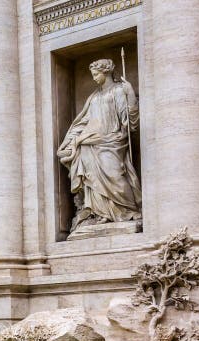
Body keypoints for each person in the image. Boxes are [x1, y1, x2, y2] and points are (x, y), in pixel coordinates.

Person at [58, 58, 141, 233]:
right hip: (90, 143)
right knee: (92, 179)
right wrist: (70, 141)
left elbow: (130, 121)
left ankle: (129, 211)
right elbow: (82, 122)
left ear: (106, 72)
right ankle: (100, 213)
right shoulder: (94, 96)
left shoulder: (119, 91)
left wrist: (131, 94)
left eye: (96, 74)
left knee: (115, 175)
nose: (94, 78)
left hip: (112, 141)